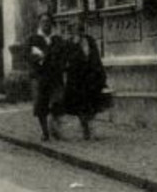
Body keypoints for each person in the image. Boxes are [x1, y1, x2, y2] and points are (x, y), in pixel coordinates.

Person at [58, 19, 108, 140]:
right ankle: (86, 128)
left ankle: (89, 127)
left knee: (92, 104)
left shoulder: (90, 40)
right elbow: (66, 61)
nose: (79, 30)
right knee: (80, 105)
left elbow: (96, 57)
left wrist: (101, 74)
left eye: (80, 27)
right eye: (76, 27)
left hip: (91, 78)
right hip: (77, 79)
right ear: (72, 30)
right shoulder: (69, 43)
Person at [26, 13, 63, 141]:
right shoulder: (33, 38)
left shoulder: (57, 39)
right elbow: (27, 55)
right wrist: (38, 58)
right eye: (43, 21)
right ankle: (45, 131)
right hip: (39, 76)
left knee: (57, 101)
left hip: (55, 76)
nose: (45, 24)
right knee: (41, 104)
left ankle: (54, 125)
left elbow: (62, 55)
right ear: (39, 23)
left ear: (51, 23)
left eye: (48, 21)